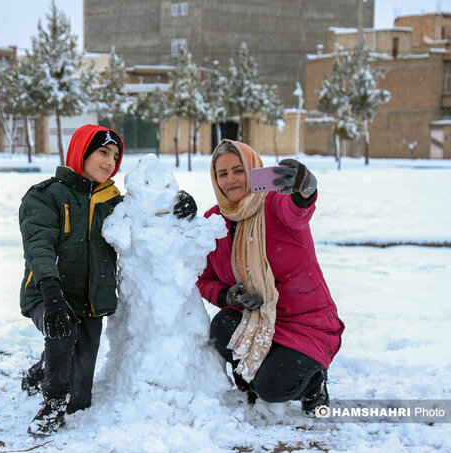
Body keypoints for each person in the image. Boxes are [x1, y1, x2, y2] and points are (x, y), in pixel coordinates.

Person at [19, 124, 197, 436]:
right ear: (81, 152)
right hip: (48, 294)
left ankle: (43, 369)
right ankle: (51, 404)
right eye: (103, 152)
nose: (110, 161)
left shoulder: (114, 202)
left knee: (81, 398)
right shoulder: (45, 196)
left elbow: (148, 214)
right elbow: (39, 246)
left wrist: (178, 205)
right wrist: (51, 292)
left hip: (90, 303)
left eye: (115, 156)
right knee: (61, 331)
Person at [196, 139, 344, 414]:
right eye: (222, 174)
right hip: (257, 319)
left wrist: (304, 190)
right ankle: (255, 375)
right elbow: (202, 278)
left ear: (253, 170)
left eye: (238, 170)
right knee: (222, 326)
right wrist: (228, 295)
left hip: (304, 322)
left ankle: (314, 383)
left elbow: (298, 210)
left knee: (273, 388)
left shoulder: (274, 204)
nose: (231, 180)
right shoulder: (213, 221)